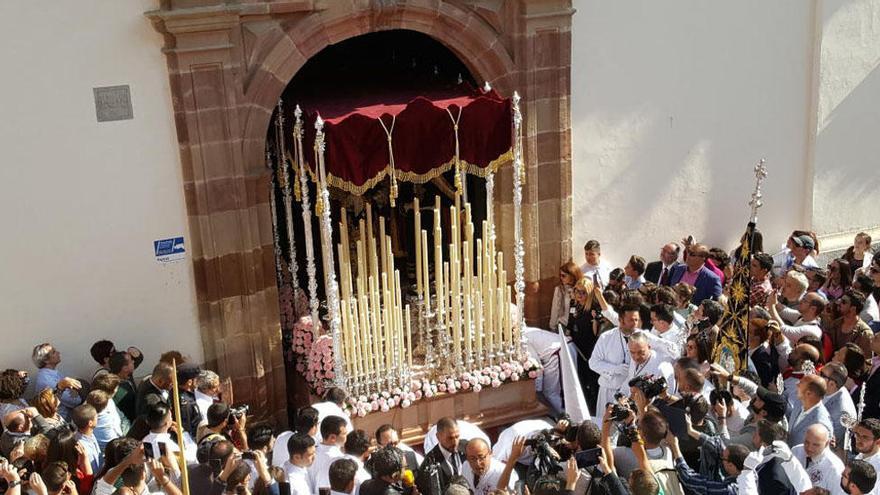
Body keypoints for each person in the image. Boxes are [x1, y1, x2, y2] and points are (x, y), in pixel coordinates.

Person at [588, 306, 641, 421]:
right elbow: (593, 363)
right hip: (608, 390)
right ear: (621, 320)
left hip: (629, 393)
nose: (635, 323)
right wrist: (615, 369)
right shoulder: (606, 338)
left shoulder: (642, 337)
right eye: (631, 320)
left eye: (636, 320)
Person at [667, 430, 750, 495]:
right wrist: (690, 430)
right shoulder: (750, 474)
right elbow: (718, 447)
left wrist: (675, 446)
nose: (720, 458)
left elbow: (690, 479)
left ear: (731, 465)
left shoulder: (727, 491)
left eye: (723, 458)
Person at [30, 343, 82, 420]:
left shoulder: (52, 372)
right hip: (62, 420)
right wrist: (76, 392)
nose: (58, 353)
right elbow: (75, 401)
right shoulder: (46, 380)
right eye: (54, 352)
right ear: (46, 360)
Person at [416, 417, 466, 495]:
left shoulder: (466, 448)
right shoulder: (430, 463)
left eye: (457, 437)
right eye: (450, 438)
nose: (455, 442)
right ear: (438, 437)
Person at [617, 331, 675, 397]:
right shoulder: (634, 358)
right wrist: (620, 397)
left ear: (649, 347)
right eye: (632, 352)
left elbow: (668, 398)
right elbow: (630, 379)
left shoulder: (662, 367)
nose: (636, 357)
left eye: (641, 352)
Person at [791, 424, 844, 494]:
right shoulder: (796, 451)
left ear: (826, 444)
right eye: (807, 442)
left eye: (815, 445)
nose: (809, 448)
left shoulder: (835, 468)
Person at [787, 374, 833, 446]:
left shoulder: (820, 423)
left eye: (801, 383)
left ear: (808, 394)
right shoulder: (799, 403)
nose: (797, 384)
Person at [819, 362, 857, 447]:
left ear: (832, 384)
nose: (817, 375)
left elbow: (832, 444)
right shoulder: (834, 389)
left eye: (822, 375)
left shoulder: (841, 413)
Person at [827, 290, 874, 359]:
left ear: (853, 309)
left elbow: (866, 360)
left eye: (843, 302)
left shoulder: (864, 333)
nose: (839, 303)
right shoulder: (835, 324)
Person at [311, 416, 348, 492]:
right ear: (332, 438)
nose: (346, 436)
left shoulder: (312, 452)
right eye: (344, 434)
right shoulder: (337, 458)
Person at [549, 261, 582, 330]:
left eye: (564, 276)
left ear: (572, 276)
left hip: (578, 327)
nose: (561, 278)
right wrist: (552, 327)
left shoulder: (581, 289)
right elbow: (555, 309)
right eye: (560, 275)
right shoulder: (559, 290)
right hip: (564, 325)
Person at [109, 351, 138, 425]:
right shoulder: (121, 390)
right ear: (125, 368)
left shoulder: (125, 376)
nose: (133, 361)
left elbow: (139, 358)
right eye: (131, 361)